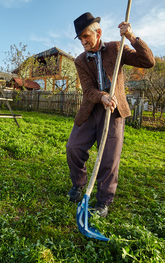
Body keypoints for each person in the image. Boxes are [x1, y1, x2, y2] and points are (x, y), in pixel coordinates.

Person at [66, 12, 155, 217]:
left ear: (98, 33)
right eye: (80, 38)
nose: (83, 41)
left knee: (109, 157)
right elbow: (87, 89)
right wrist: (103, 96)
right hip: (91, 108)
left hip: (114, 111)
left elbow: (148, 61)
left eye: (85, 36)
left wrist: (132, 37)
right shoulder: (80, 60)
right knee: (74, 147)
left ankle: (104, 200)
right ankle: (79, 184)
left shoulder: (116, 48)